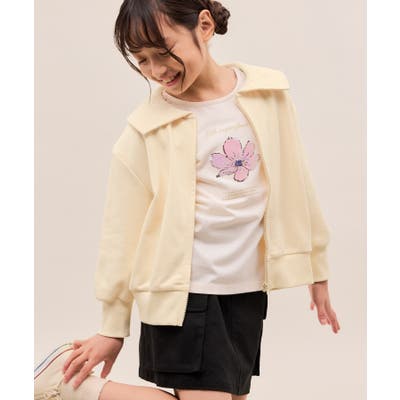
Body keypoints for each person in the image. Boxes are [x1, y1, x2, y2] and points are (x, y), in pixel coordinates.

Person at [34, 1, 341, 399]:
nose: (156, 70)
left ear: (204, 26)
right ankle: (67, 385)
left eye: (163, 51)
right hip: (184, 296)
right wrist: (113, 326)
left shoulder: (268, 95)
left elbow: (295, 180)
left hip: (246, 293)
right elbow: (120, 233)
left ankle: (71, 385)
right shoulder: (146, 129)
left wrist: (316, 264)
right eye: (142, 60)